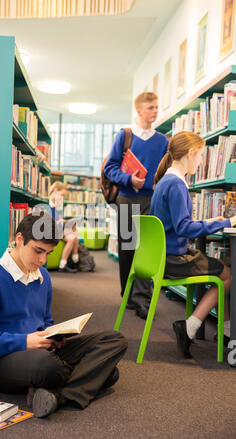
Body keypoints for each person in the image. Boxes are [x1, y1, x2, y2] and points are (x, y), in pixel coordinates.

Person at [0, 212, 128, 418]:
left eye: (48, 254)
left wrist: (55, 336)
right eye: (38, 251)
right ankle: (85, 379)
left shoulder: (44, 277)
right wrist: (24, 341)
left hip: (40, 350)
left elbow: (45, 322)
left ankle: (59, 395)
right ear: (19, 239)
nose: (42, 260)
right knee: (65, 368)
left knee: (114, 340)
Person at [150, 131, 236, 358]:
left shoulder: (164, 181)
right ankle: (190, 326)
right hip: (173, 259)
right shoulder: (176, 185)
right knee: (225, 274)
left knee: (218, 268)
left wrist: (208, 222)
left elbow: (175, 223)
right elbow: (183, 228)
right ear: (189, 154)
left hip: (163, 255)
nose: (200, 162)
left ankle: (225, 330)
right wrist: (227, 222)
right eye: (199, 156)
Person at [104, 92, 168, 319]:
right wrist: (129, 180)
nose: (155, 110)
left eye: (157, 107)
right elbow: (109, 168)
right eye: (151, 107)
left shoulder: (163, 141)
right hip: (127, 198)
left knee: (145, 247)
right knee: (128, 247)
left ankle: (143, 299)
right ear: (139, 111)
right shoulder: (125, 136)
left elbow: (164, 171)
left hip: (151, 199)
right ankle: (128, 295)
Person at [49, 181, 80, 273]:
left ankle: (75, 260)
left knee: (75, 234)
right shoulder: (48, 204)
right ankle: (63, 265)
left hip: (58, 229)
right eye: (61, 195)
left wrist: (63, 222)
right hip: (51, 231)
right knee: (72, 238)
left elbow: (57, 219)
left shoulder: (55, 205)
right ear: (55, 191)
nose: (62, 198)